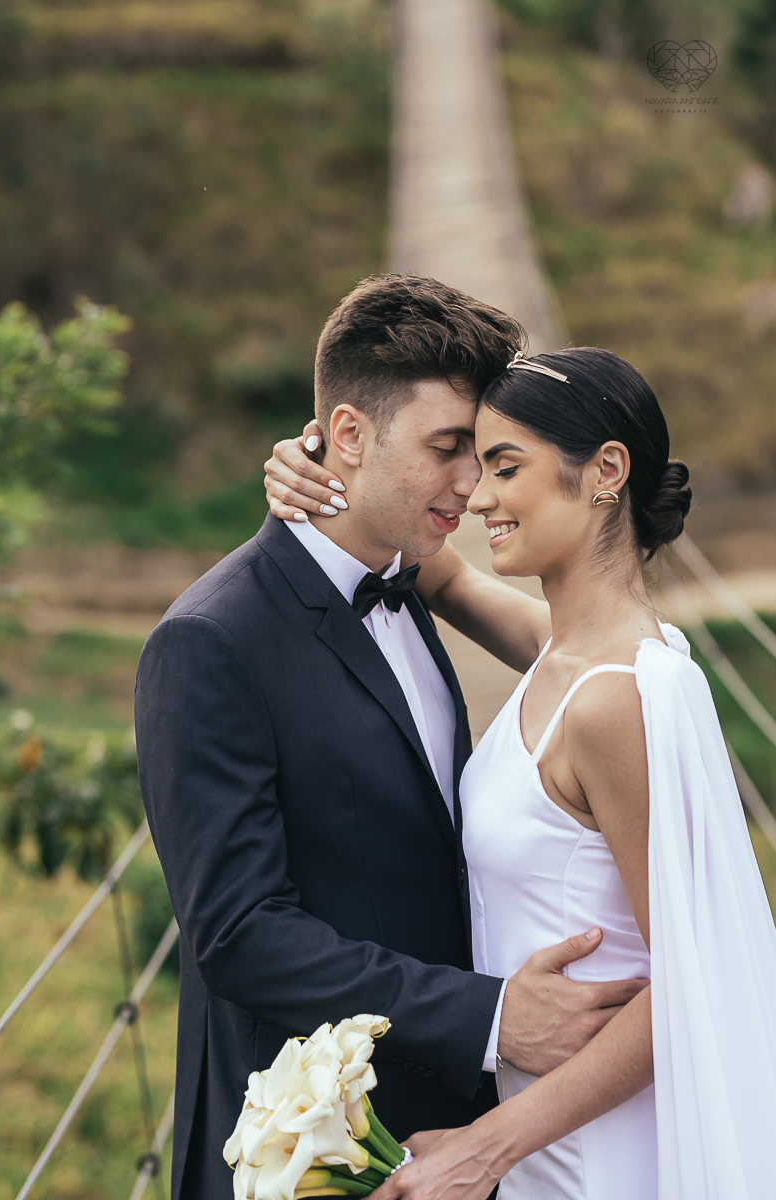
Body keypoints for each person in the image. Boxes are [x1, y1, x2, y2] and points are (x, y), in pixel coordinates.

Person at [134, 277, 645, 1200]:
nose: (472, 485)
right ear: (349, 432)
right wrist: (491, 1018)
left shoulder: (411, 579)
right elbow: (240, 933)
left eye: (490, 458)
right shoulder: (208, 642)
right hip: (308, 1154)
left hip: (458, 1135)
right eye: (448, 449)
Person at [268, 345, 776, 1199]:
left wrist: (486, 1147)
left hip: (598, 1140)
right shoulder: (563, 653)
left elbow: (689, 983)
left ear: (606, 470)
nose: (477, 496)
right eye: (468, 465)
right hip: (543, 1122)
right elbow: (443, 574)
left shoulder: (613, 698)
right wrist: (316, 465)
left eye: (505, 467)